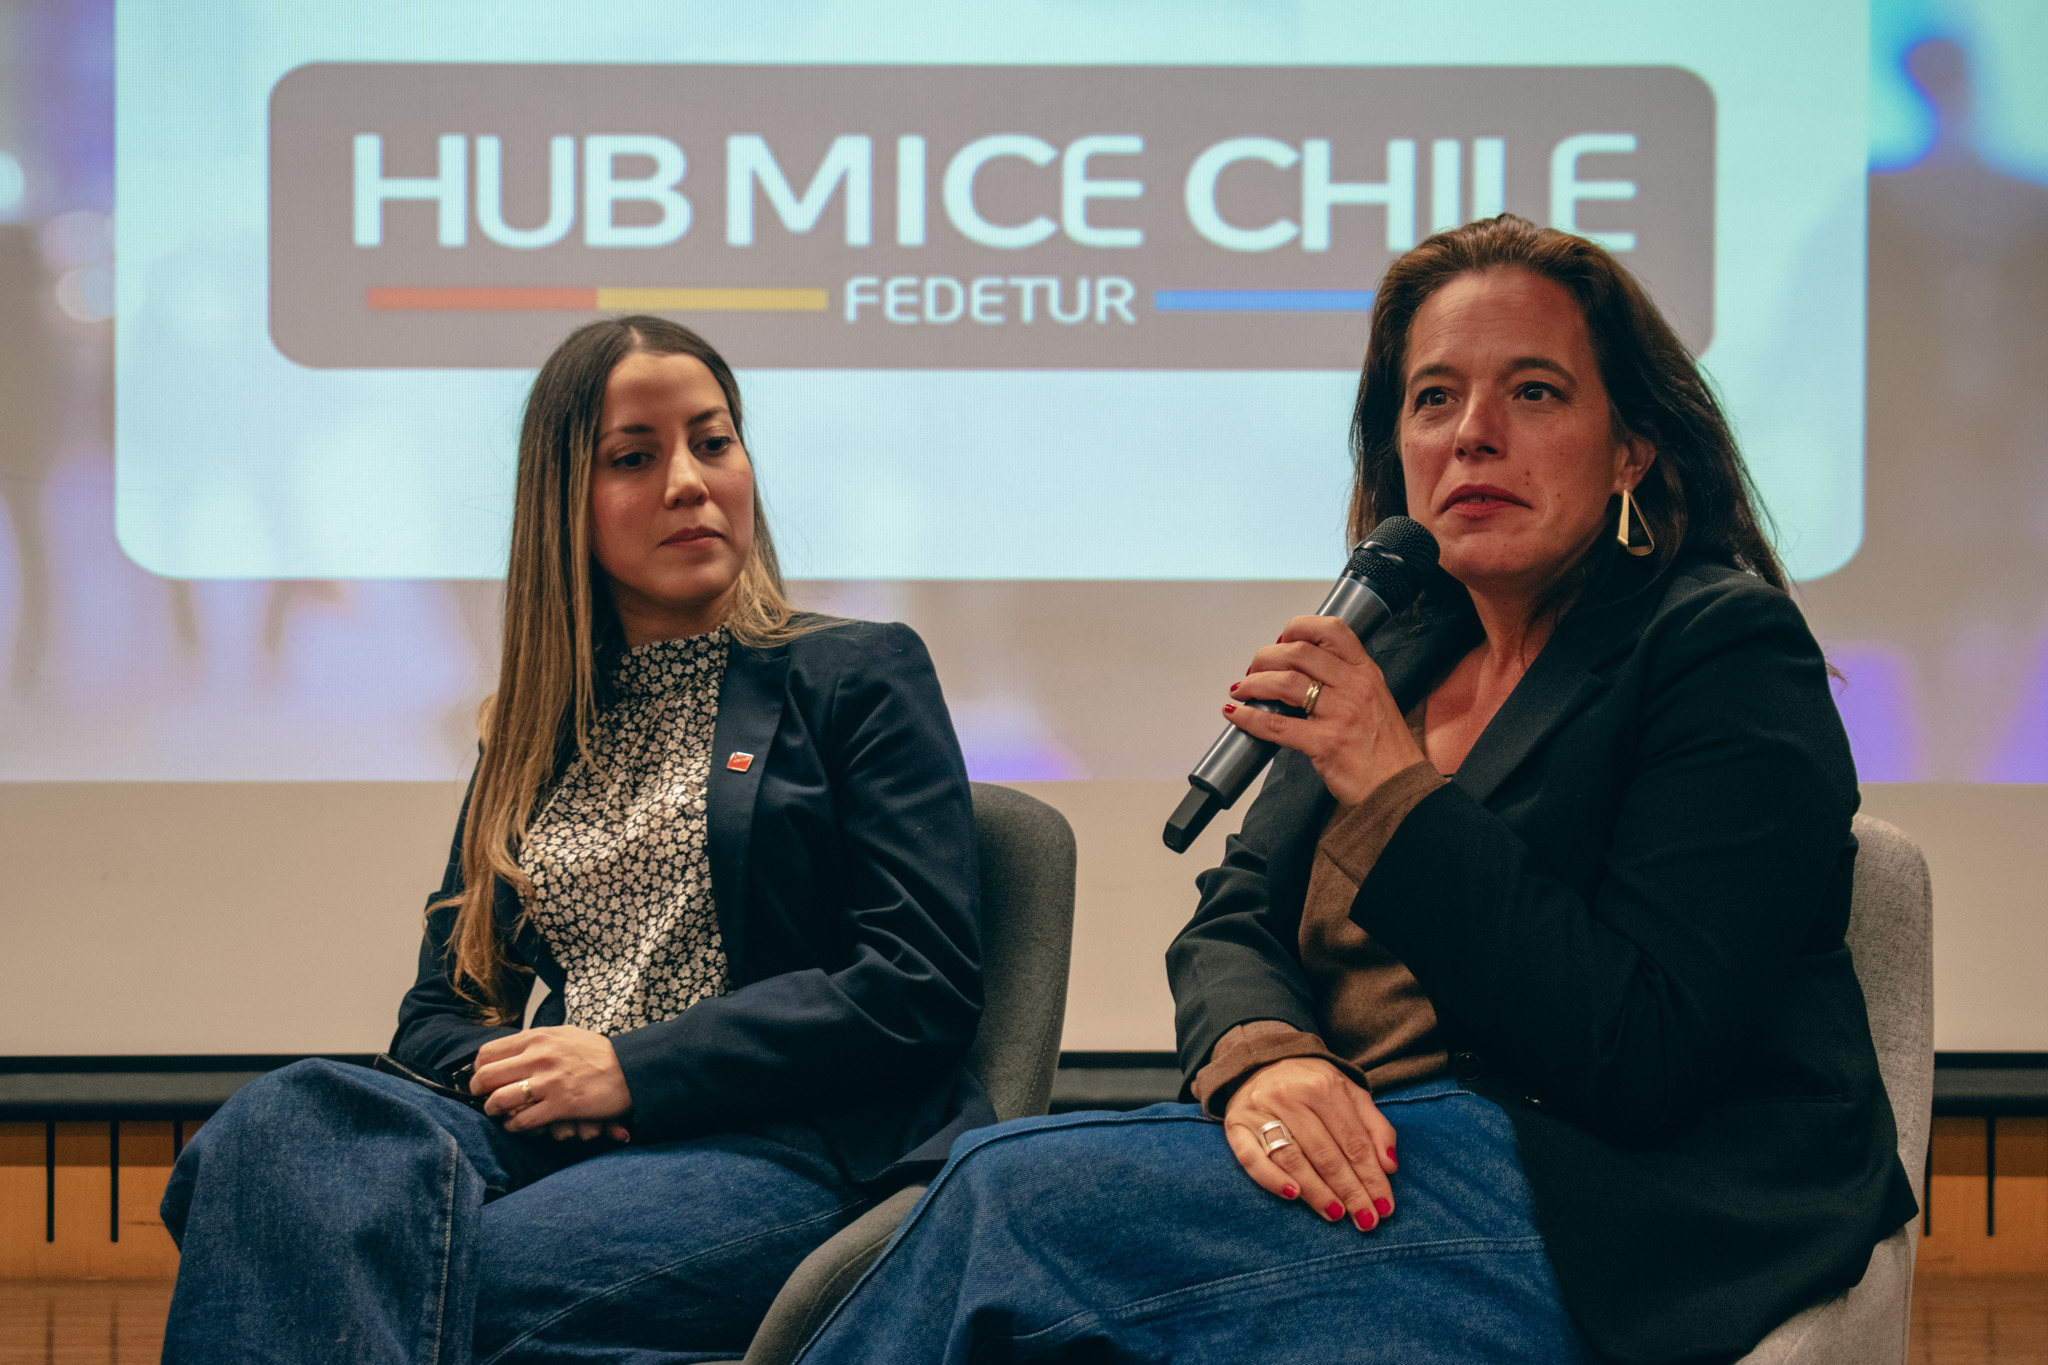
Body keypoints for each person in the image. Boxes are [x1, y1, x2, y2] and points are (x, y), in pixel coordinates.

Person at [794, 216, 1918, 1365]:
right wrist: (1266, 1055)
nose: (1471, 432)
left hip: (1616, 1200)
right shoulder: (1399, 649)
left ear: (1630, 449)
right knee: (1008, 1247)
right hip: (1375, 1159)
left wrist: (1392, 789)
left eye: (1532, 391)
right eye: (1432, 399)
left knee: (1010, 1203)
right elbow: (1230, 919)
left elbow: (1640, 1055)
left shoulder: (1720, 652)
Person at [158, 316, 990, 1363]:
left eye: (713, 442)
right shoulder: (536, 724)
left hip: (786, 1145)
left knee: (389, 1274)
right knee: (280, 1124)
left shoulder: (856, 675)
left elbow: (917, 983)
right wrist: (549, 1083)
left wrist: (632, 1069)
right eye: (634, 458)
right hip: (551, 1141)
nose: (688, 482)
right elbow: (439, 1016)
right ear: (563, 502)